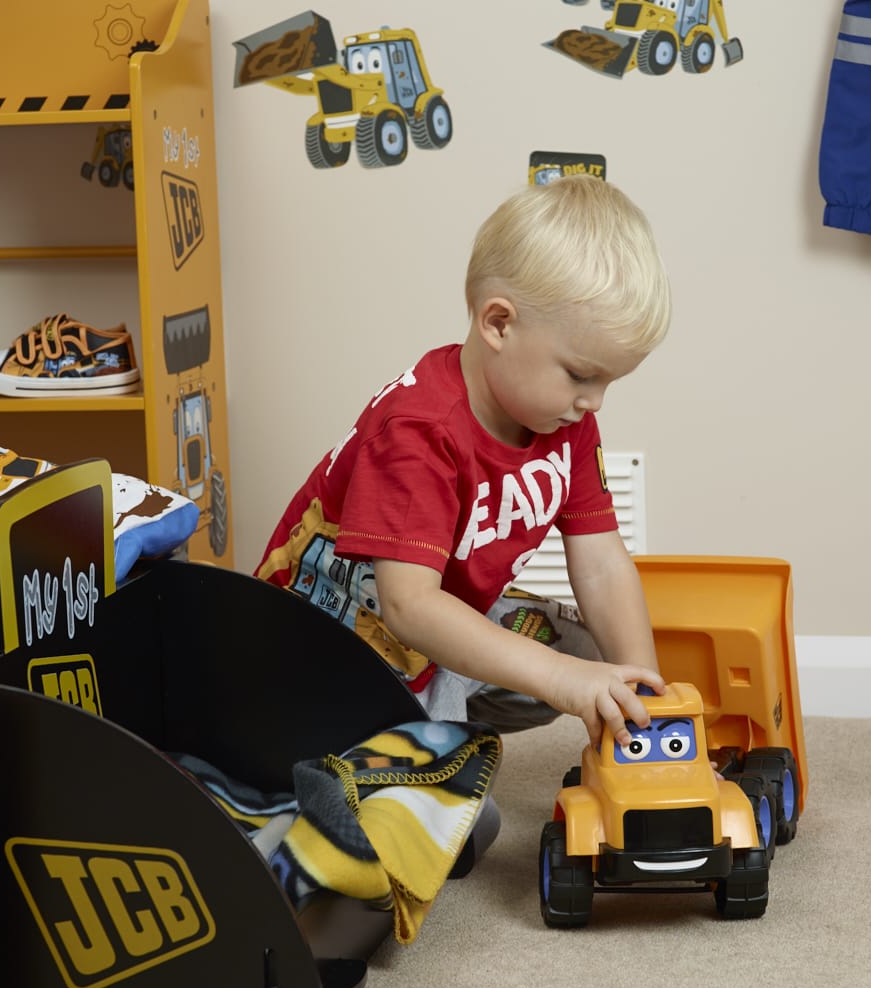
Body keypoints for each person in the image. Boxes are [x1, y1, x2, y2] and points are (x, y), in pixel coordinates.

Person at [255, 174, 670, 751]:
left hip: (444, 618)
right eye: (580, 374)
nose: (593, 401)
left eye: (608, 382)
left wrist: (648, 703)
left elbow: (601, 563)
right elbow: (408, 605)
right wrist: (556, 679)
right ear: (498, 323)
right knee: (462, 829)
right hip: (348, 651)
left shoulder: (567, 423)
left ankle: (445, 713)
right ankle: (365, 751)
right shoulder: (419, 429)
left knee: (597, 660)